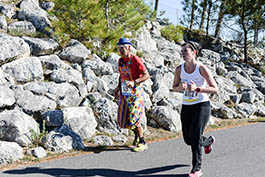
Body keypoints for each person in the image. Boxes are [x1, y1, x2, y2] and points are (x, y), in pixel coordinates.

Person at [172, 41, 218, 177]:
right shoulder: (179, 69)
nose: (183, 54)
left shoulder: (201, 68)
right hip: (187, 105)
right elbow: (174, 86)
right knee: (188, 139)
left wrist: (198, 89)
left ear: (194, 53)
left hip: (201, 105)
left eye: (186, 51)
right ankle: (208, 141)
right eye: (182, 52)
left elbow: (215, 88)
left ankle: (196, 169)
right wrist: (181, 87)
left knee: (196, 136)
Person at [114, 37, 150, 152]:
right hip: (125, 93)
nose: (120, 50)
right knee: (124, 118)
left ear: (128, 47)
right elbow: (121, 76)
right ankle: (137, 137)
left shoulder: (136, 59)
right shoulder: (120, 61)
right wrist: (118, 88)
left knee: (134, 118)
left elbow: (146, 75)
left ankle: (142, 141)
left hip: (136, 93)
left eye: (122, 48)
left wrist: (134, 82)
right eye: (119, 48)